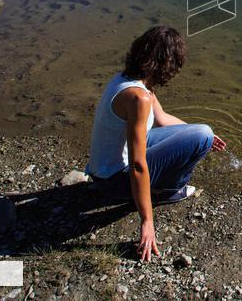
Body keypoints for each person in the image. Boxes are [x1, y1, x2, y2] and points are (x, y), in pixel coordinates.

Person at [85, 26, 226, 262]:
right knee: (203, 133)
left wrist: (195, 136)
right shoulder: (138, 98)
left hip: (105, 170)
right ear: (168, 64)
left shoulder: (131, 79)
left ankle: (196, 142)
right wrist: (147, 222)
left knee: (201, 133)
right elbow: (138, 165)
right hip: (114, 181)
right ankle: (169, 191)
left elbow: (162, 119)